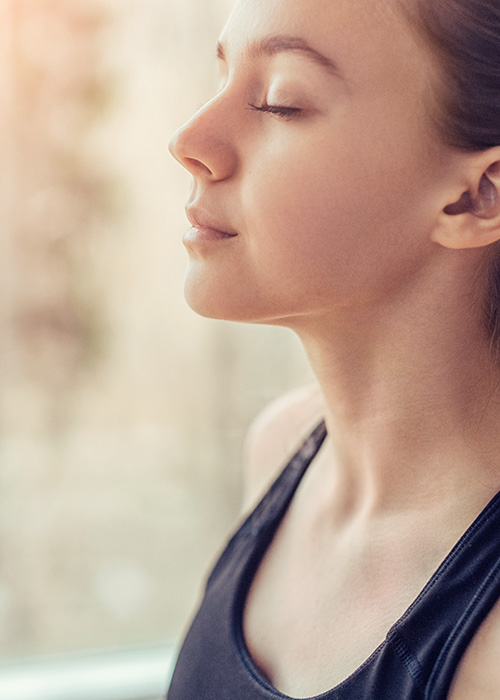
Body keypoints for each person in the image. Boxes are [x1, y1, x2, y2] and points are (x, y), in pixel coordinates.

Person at [167, 0, 500, 696]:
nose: (190, 139)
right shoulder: (281, 448)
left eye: (281, 101)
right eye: (222, 76)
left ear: (478, 198)